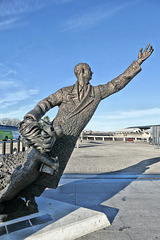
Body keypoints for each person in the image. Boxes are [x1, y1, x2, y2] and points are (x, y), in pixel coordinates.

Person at [1, 43, 154, 207]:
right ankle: (11, 195)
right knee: (33, 167)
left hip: (68, 141)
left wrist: (137, 64)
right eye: (89, 70)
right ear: (80, 72)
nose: (92, 73)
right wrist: (32, 116)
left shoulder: (97, 93)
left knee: (51, 174)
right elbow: (44, 104)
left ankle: (30, 197)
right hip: (53, 135)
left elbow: (117, 84)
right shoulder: (65, 91)